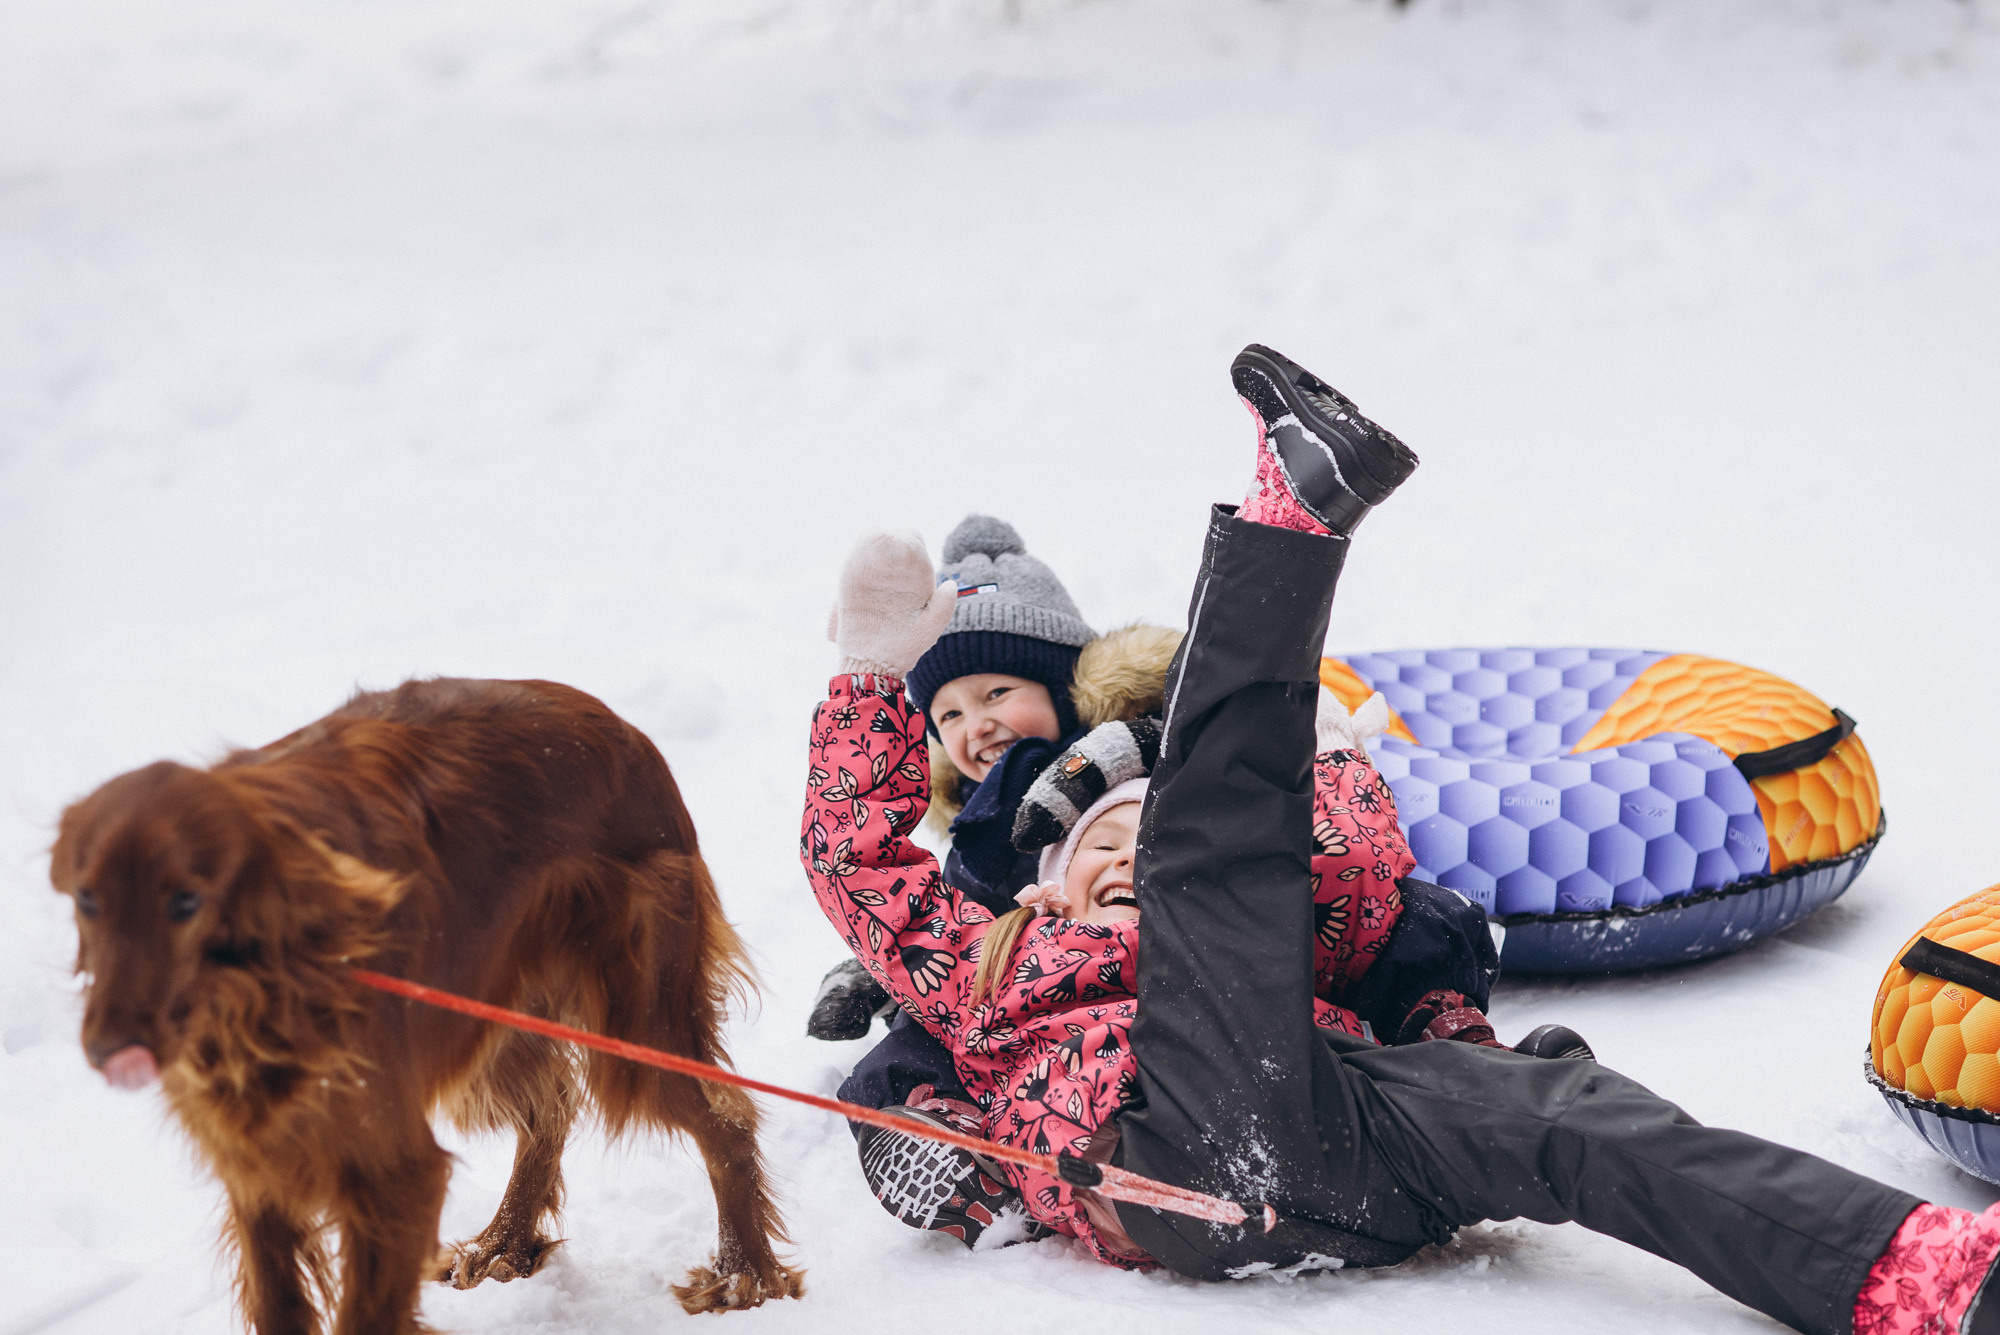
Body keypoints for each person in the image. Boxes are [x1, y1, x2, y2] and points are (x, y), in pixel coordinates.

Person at [802, 342, 2000, 1333]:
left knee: (1573, 1119)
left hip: (1346, 1133)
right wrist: (869, 676)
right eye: (1106, 842)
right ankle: (1291, 520)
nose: (1130, 851)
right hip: (1171, 1156)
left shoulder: (1279, 938)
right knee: (1216, 890)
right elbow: (854, 858)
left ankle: (1928, 1280)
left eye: (1144, 827)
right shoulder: (991, 967)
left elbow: (1360, 871)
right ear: (1046, 889)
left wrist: (1322, 753)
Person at [809, 517, 1533, 1246]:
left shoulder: (1154, 746)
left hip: (1221, 974)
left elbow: (1299, 830)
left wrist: (1169, 746)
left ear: (1068, 682)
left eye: (998, 691)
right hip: (1057, 1030)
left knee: (1410, 916)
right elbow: (908, 909)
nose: (978, 724)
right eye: (949, 714)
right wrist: (874, 973)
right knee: (919, 1028)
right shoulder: (980, 831)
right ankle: (947, 1135)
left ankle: (1448, 1042)